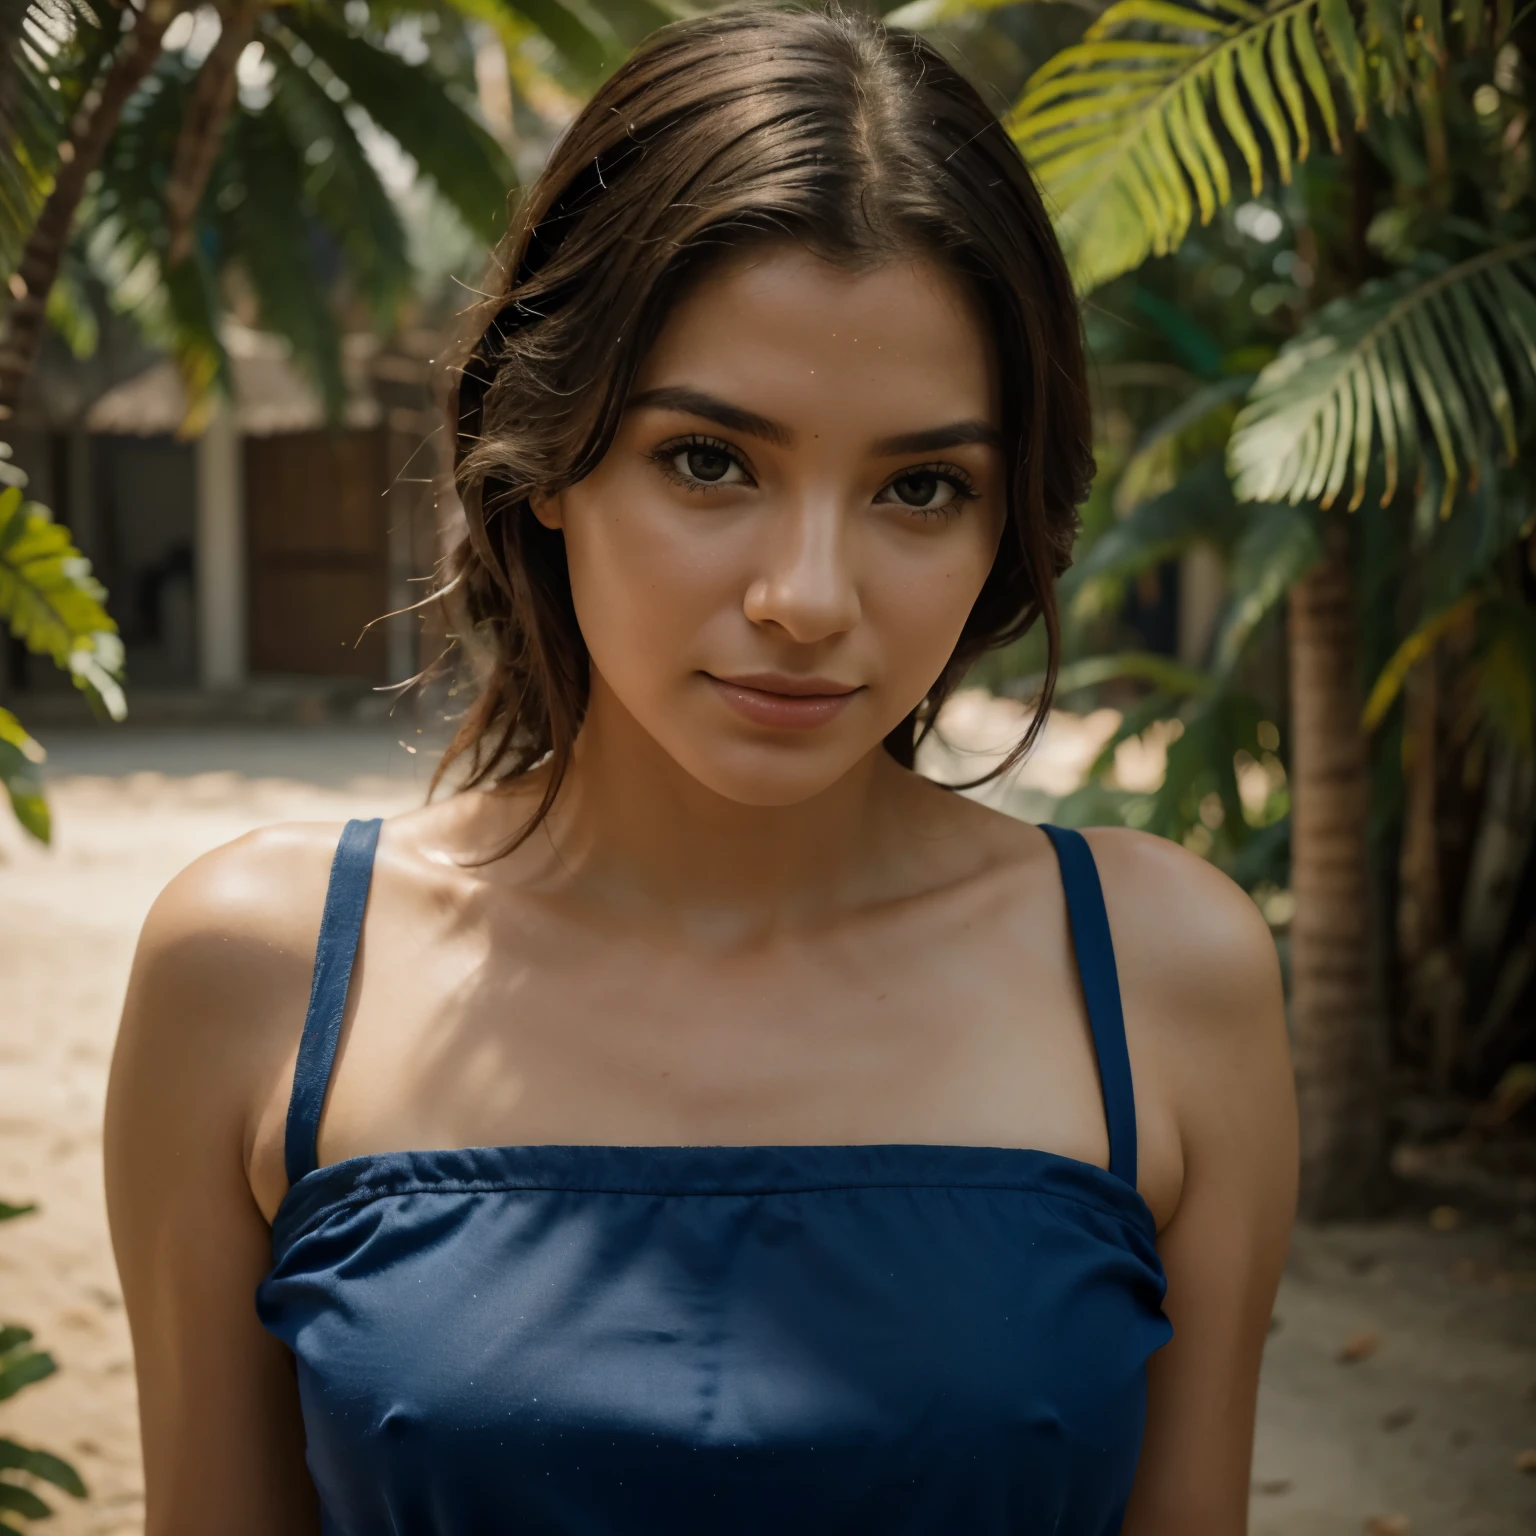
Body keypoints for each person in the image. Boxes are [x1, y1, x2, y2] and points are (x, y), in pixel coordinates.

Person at [105, 6, 1296, 1532]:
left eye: (922, 486)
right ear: (545, 455)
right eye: (709, 460)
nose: (808, 595)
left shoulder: (1165, 978)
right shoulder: (258, 969)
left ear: (1011, 521)